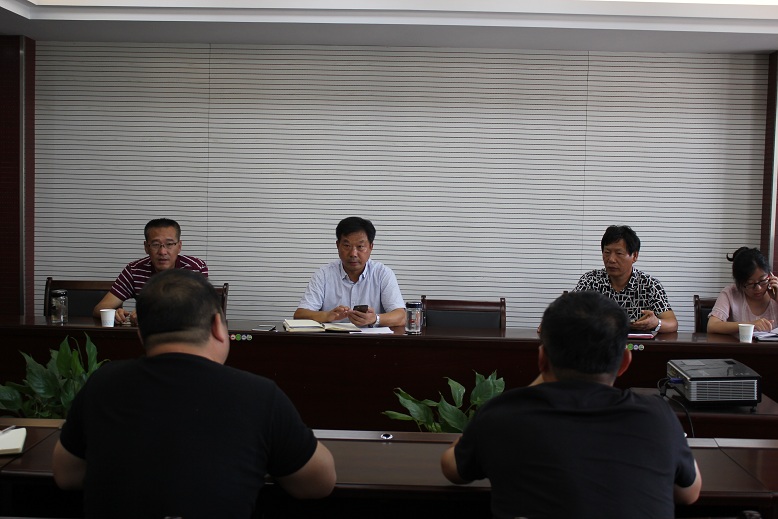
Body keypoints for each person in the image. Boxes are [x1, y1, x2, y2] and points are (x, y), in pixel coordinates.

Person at [53, 269, 337, 519]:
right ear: (217, 326)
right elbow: (319, 482)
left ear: (140, 334)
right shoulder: (259, 395)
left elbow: (66, 475)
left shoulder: (102, 385)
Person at [441, 291, 701, 519]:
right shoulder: (658, 417)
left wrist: (541, 375)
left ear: (542, 359)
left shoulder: (502, 415)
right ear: (624, 362)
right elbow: (689, 494)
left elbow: (452, 468)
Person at [294, 216, 406, 327]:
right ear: (337, 245)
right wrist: (327, 315)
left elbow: (401, 316)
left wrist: (375, 319)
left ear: (371, 247)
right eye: (347, 246)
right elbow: (300, 315)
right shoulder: (323, 275)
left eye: (360, 246)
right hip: (334, 338)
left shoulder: (382, 274)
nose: (353, 253)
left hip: (371, 338)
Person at [92, 218, 208, 324]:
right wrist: (114, 315)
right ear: (146, 247)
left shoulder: (195, 268)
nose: (162, 252)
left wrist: (149, 314)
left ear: (179, 246)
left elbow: (202, 309)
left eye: (169, 244)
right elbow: (100, 308)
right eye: (155, 244)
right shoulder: (134, 270)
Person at [572, 224, 678, 333]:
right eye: (607, 252)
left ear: (634, 256)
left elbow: (672, 323)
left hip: (636, 343)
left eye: (619, 253)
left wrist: (656, 323)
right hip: (599, 342)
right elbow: (568, 312)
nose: (611, 259)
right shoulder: (590, 280)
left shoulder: (649, 285)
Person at [708, 247, 778, 334]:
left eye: (762, 280)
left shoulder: (776, 290)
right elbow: (712, 326)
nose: (758, 288)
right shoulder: (730, 293)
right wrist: (750, 325)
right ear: (739, 283)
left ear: (770, 275)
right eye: (750, 283)